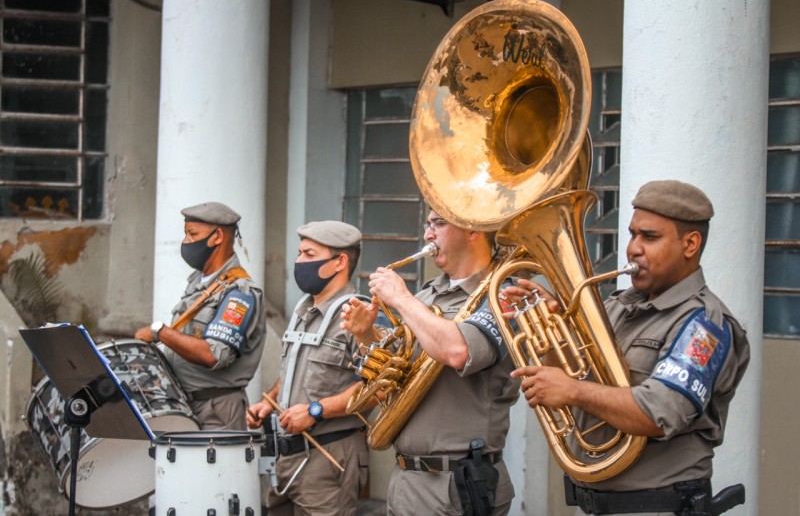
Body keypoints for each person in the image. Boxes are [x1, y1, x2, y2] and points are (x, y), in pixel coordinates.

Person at [509, 180, 750, 515]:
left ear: (690, 244)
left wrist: (574, 391)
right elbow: (565, 382)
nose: (633, 249)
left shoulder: (705, 325)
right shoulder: (618, 306)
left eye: (649, 237)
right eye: (632, 234)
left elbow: (658, 412)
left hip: (656, 506)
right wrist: (553, 333)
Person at [341, 209, 520, 516]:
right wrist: (367, 334)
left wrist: (400, 298)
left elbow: (458, 351)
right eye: (427, 224)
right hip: (406, 477)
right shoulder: (429, 293)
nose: (427, 235)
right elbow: (397, 366)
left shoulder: (505, 295)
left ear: (472, 229)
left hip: (458, 484)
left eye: (438, 224)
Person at [246, 220, 370, 516]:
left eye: (309, 255)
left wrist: (316, 411)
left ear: (339, 262)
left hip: (328, 459)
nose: (299, 261)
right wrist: (270, 401)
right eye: (299, 253)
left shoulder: (360, 314)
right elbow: (295, 371)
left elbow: (377, 388)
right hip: (288, 458)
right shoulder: (305, 310)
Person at [134, 201, 266, 431]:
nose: (186, 242)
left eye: (192, 234)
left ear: (217, 237)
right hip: (185, 404)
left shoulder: (239, 292)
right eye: (185, 234)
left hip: (216, 410)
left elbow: (214, 355)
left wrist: (160, 332)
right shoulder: (200, 283)